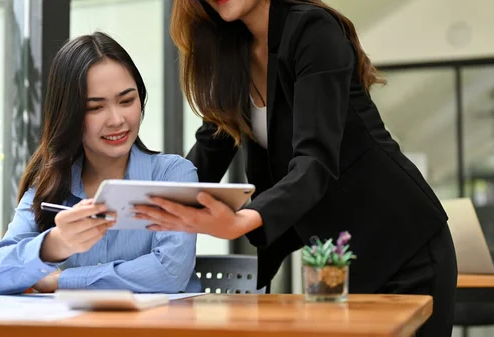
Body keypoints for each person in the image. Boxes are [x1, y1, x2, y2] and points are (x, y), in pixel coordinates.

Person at [132, 0, 457, 335]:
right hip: (337, 261)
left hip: (404, 243)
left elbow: (315, 159)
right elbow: (207, 153)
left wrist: (242, 221)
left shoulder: (312, 30)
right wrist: (142, 207)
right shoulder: (232, 52)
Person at [0, 31, 201, 295]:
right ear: (69, 115)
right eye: (96, 107)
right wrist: (55, 244)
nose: (117, 119)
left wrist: (61, 280)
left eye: (127, 100)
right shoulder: (51, 184)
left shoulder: (172, 175)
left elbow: (168, 273)